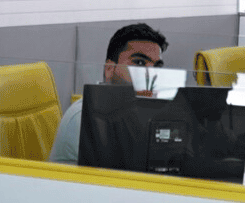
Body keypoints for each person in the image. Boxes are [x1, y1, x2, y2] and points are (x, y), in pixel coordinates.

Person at [49, 22, 167, 164]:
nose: (151, 75)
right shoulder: (85, 118)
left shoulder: (136, 110)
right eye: (139, 63)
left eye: (157, 67)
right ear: (109, 69)